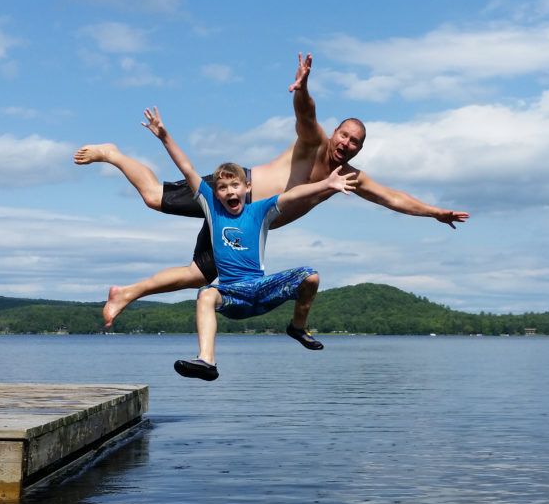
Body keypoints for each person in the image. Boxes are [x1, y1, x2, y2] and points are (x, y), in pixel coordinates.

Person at [74, 53, 469, 328]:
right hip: (233, 194)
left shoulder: (349, 176)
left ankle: (126, 292)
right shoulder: (313, 141)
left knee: (198, 274)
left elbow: (393, 198)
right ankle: (113, 154)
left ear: (359, 149)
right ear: (335, 133)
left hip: (245, 227)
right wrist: (302, 87)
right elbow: (306, 114)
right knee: (153, 197)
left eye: (354, 142)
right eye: (344, 135)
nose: (346, 144)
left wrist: (435, 212)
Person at [149, 114, 357, 381]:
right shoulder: (211, 208)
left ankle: (297, 327)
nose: (229, 192)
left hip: (261, 290)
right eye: (222, 188)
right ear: (215, 193)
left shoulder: (260, 210)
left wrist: (326, 184)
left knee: (311, 276)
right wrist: (164, 136)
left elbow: (292, 194)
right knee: (205, 295)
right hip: (231, 297)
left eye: (235, 185)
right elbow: (187, 168)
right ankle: (207, 361)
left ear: (248, 188)